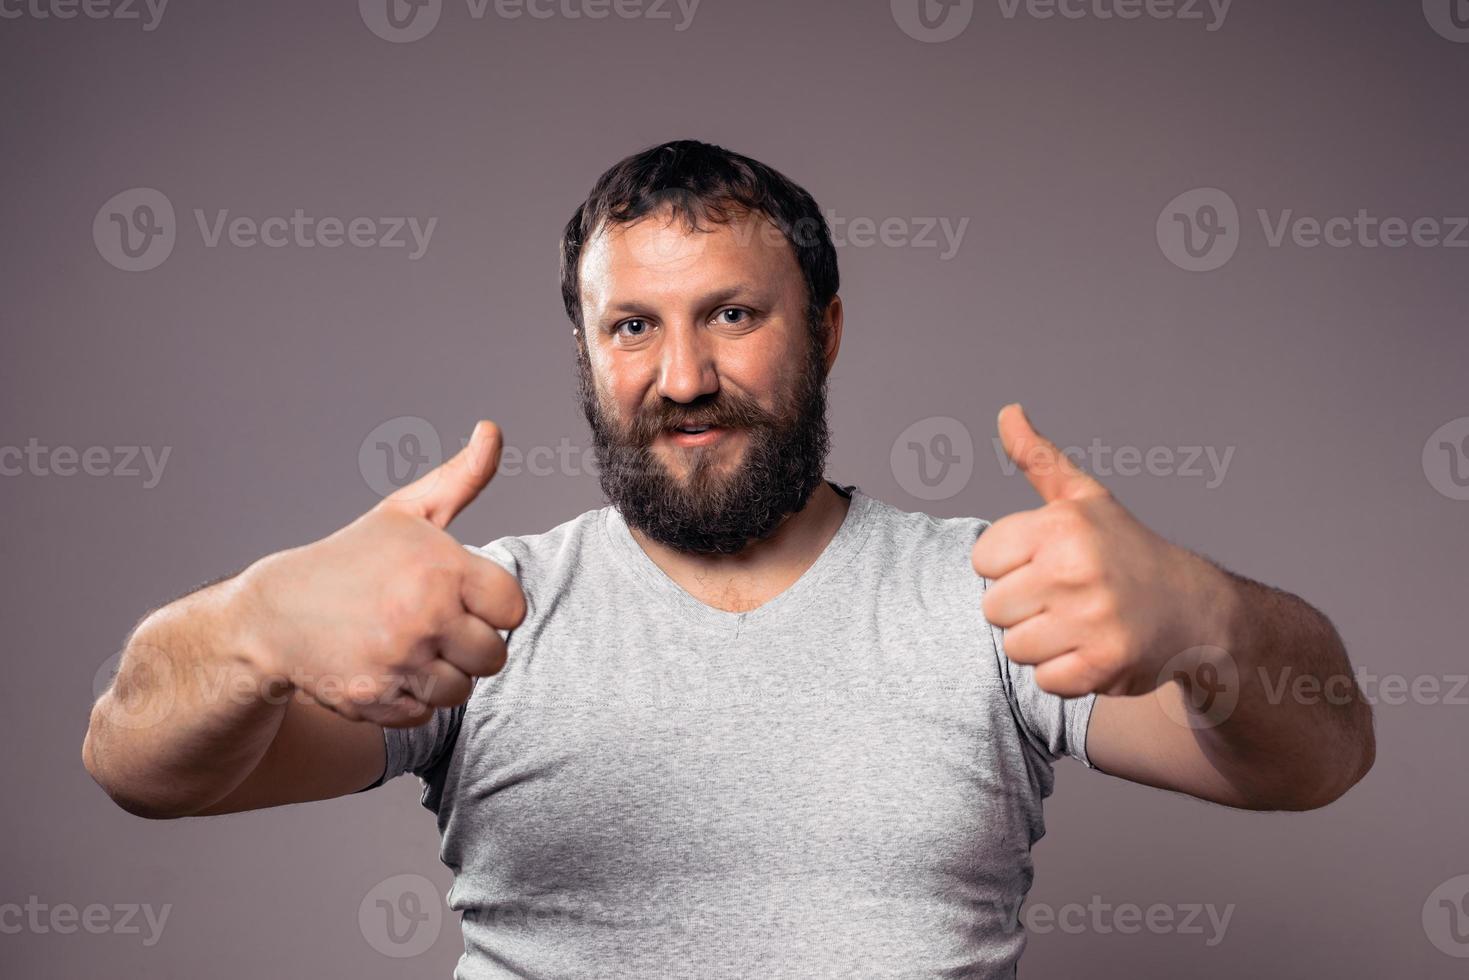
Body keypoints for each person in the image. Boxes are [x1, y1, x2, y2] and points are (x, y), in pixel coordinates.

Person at [83, 139, 1375, 979]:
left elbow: (1314, 764)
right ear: (586, 352)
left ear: (823, 330)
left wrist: (1211, 618)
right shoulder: (479, 614)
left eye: (733, 316)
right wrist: (251, 622)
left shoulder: (992, 592)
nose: (683, 377)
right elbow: (142, 772)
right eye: (632, 325)